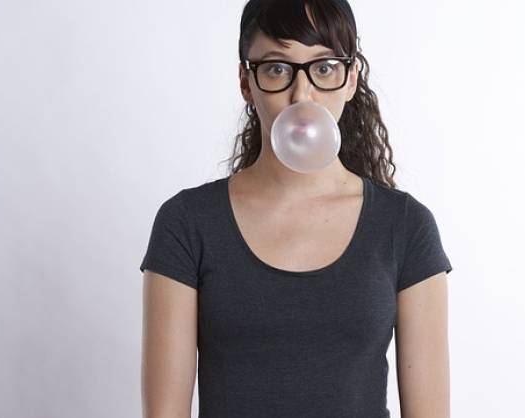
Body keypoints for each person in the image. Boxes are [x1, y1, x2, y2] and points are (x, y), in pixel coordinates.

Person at [139, 1, 453, 417]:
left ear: (351, 78)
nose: (301, 95)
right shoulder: (187, 223)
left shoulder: (405, 226)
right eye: (277, 69)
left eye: (324, 68)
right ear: (246, 82)